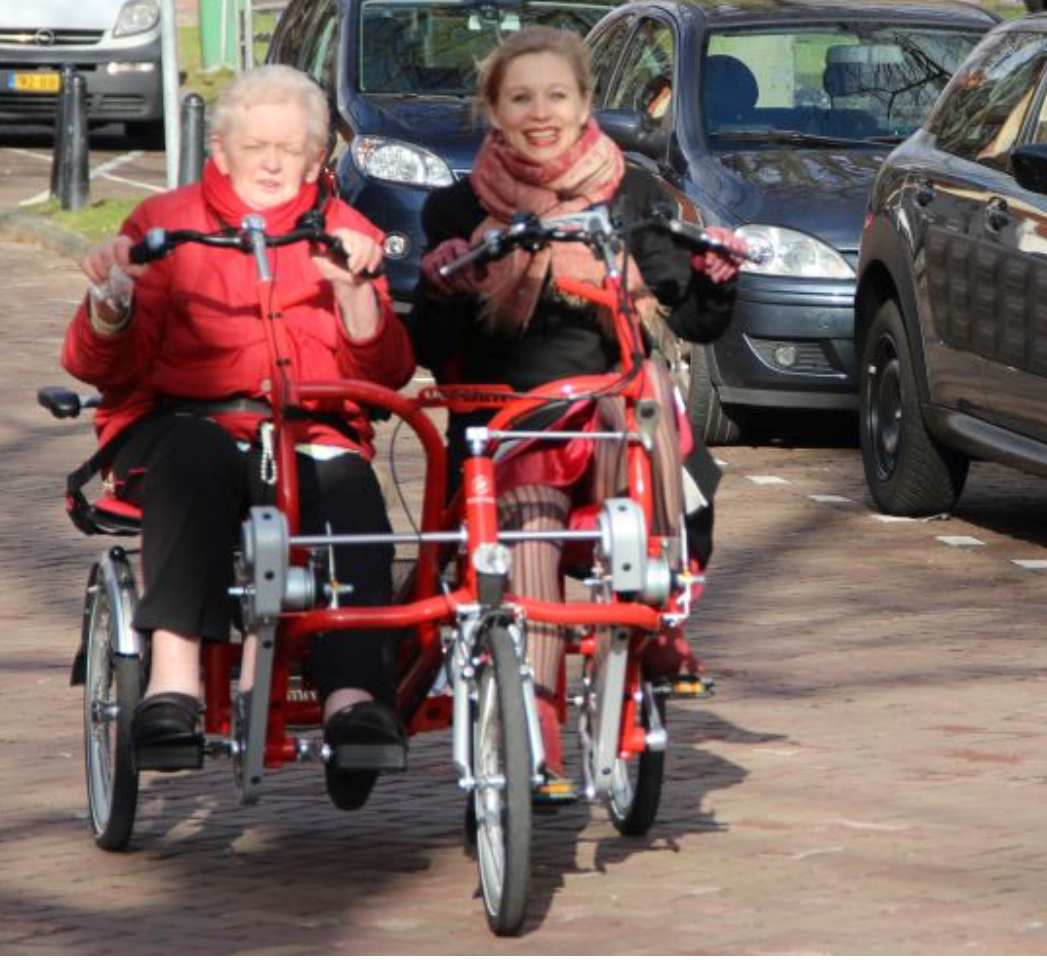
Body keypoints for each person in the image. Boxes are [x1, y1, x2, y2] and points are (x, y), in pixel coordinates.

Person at [61, 65, 414, 810]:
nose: (274, 163)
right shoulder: (164, 226)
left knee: (350, 489)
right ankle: (174, 680)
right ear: (220, 149)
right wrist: (112, 307)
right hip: (188, 423)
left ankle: (354, 697)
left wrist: (356, 299)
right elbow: (101, 366)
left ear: (319, 161)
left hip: (308, 429)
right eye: (257, 144)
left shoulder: (347, 237)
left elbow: (387, 375)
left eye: (294, 149)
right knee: (195, 453)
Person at [408, 26, 744, 802]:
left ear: (586, 103)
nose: (540, 112)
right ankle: (539, 734)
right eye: (520, 97)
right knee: (529, 530)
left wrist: (714, 277)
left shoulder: (629, 197)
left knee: (650, 390)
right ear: (493, 110)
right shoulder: (457, 209)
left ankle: (657, 615)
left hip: (609, 422)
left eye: (556, 95)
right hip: (506, 421)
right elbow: (427, 346)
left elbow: (693, 318)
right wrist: (445, 287)